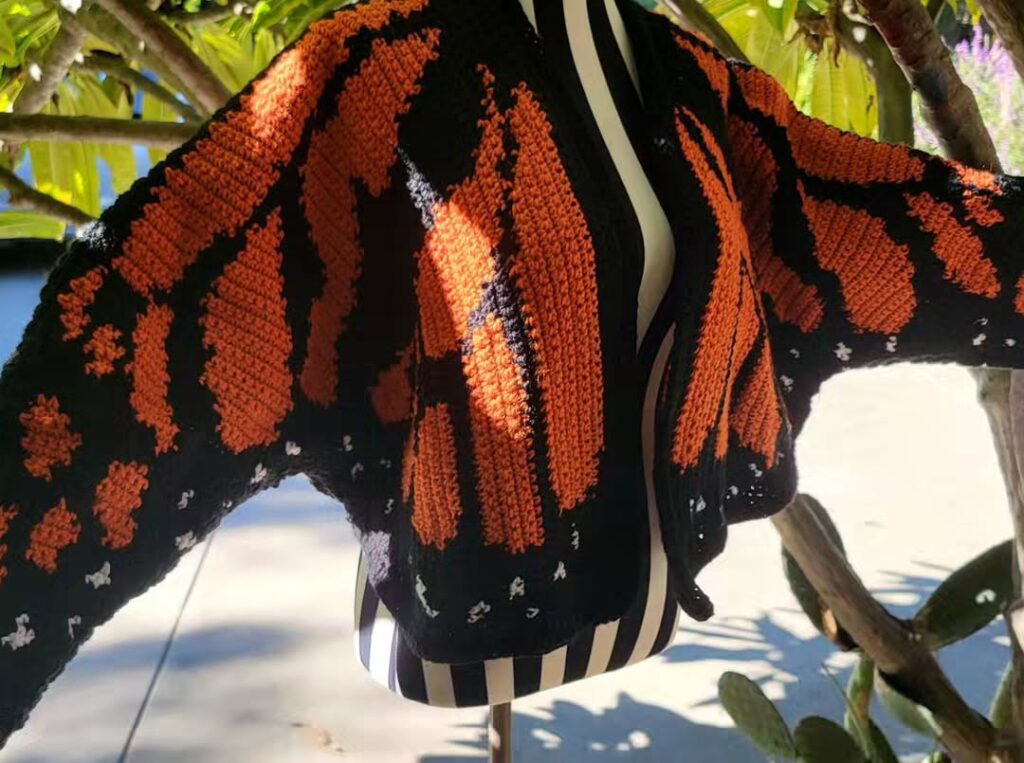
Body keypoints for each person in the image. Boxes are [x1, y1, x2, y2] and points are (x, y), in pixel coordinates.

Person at [3, 0, 1024, 744]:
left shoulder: (692, 81)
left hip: (654, 604)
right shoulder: (370, 77)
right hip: (449, 636)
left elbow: (886, 224)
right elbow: (136, 332)